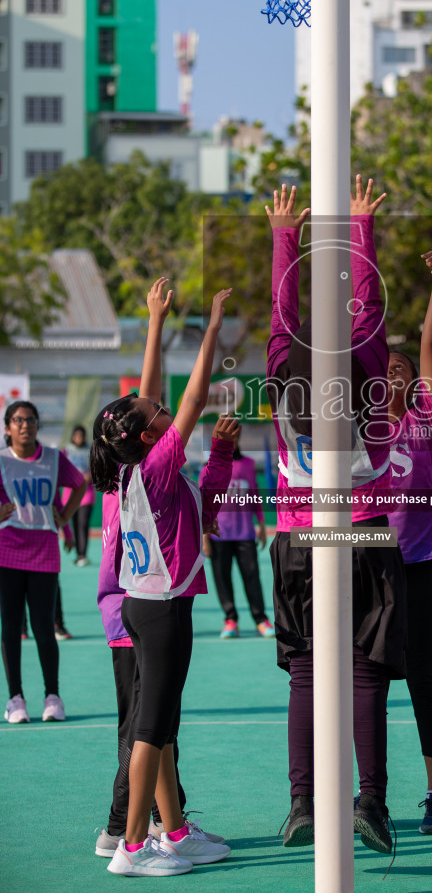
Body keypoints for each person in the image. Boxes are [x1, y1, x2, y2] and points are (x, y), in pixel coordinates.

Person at [266, 176, 407, 856]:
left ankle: (301, 803)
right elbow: (368, 307)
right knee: (364, 672)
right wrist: (358, 228)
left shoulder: (280, 380)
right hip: (363, 537)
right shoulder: (372, 383)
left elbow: (279, 315)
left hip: (299, 539)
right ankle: (370, 800)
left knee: (305, 671)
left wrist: (283, 238)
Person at [90, 280, 237, 878]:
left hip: (147, 606)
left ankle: (173, 830)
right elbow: (194, 398)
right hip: (159, 609)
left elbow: (148, 401)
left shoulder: (136, 468)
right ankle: (131, 846)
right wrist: (210, 329)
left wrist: (155, 322)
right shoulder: (151, 466)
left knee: (162, 725)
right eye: (156, 413)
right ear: (149, 435)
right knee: (150, 729)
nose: (161, 405)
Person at [386, 248, 432, 835]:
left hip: (422, 566)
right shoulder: (357, 431)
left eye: (401, 369)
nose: (393, 374)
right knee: (368, 681)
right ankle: (369, 795)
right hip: (370, 567)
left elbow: (429, 343)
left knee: (422, 677)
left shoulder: (426, 422)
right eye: (383, 370)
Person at [0, 401, 87, 724]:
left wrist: (64, 517)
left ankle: (53, 697)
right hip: (7, 552)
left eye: (31, 419)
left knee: (43, 627)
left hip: (44, 553)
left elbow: (80, 484)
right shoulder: (1, 461)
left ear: (37, 425)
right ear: (8, 427)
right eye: (18, 420)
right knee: (10, 628)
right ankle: (15, 698)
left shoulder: (52, 458)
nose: (25, 425)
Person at [201, 441, 273, 639]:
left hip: (245, 534)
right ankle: (230, 619)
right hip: (218, 534)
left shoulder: (248, 464)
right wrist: (204, 536)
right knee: (222, 579)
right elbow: (203, 499)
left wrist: (261, 523)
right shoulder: (209, 467)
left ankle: (260, 620)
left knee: (252, 577)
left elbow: (254, 495)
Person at [63, 425, 96, 566]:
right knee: (75, 524)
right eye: (76, 436)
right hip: (70, 494)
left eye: (81, 436)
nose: (79, 438)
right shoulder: (67, 451)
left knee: (83, 523)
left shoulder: (90, 450)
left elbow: (97, 469)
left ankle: (83, 554)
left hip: (86, 494)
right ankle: (78, 555)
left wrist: (89, 476)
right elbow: (60, 469)